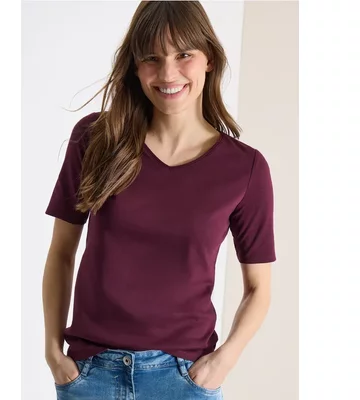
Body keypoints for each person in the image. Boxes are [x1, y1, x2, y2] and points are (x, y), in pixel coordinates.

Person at [42, 1, 276, 399]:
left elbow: (259, 288)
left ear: (208, 59)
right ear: (135, 66)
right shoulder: (96, 139)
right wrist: (53, 352)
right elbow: (62, 252)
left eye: (183, 54)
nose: (168, 73)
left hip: (184, 380)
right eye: (152, 58)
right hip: (91, 377)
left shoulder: (245, 168)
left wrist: (222, 362)